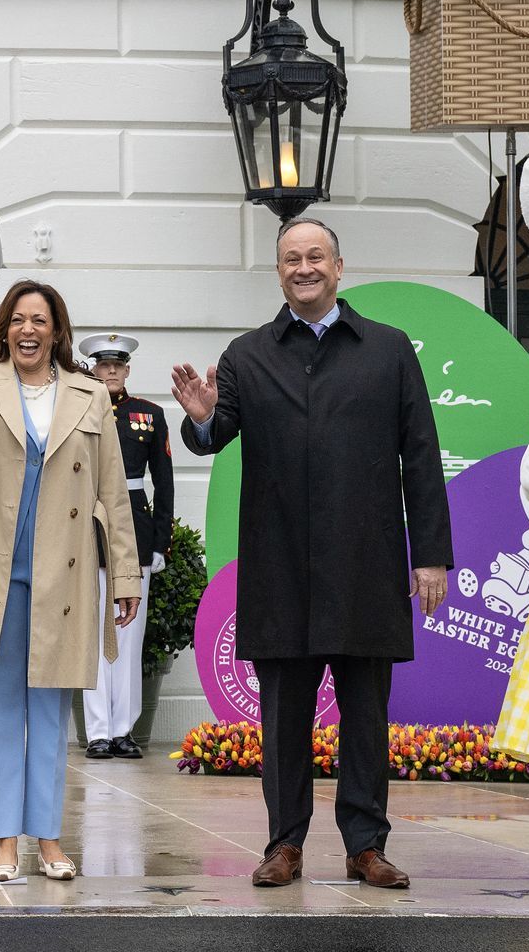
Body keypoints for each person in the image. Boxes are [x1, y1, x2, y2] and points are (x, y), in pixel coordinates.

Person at [172, 217, 451, 891]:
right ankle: (283, 845)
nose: (304, 267)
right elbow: (212, 437)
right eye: (292, 259)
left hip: (366, 564)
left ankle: (365, 847)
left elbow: (421, 454)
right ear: (279, 272)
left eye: (315, 256)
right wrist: (206, 415)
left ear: (338, 266)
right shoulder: (247, 356)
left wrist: (431, 555)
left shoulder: (387, 351)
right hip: (281, 568)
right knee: (284, 718)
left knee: (364, 716)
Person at [0, 264, 140, 883]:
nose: (28, 329)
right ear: (4, 331)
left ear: (57, 330)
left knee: (49, 712)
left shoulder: (91, 396)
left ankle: (50, 840)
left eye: (39, 319)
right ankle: (5, 841)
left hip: (61, 577)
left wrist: (124, 577)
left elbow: (113, 493)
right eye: (17, 320)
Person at [76, 332, 175, 760]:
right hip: (90, 530)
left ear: (127, 370)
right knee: (94, 637)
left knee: (129, 639)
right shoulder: (80, 412)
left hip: (135, 530)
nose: (111, 371)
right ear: (94, 369)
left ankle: (123, 730)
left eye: (117, 365)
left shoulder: (148, 416)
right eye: (103, 365)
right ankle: (97, 730)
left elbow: (165, 482)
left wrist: (161, 541)